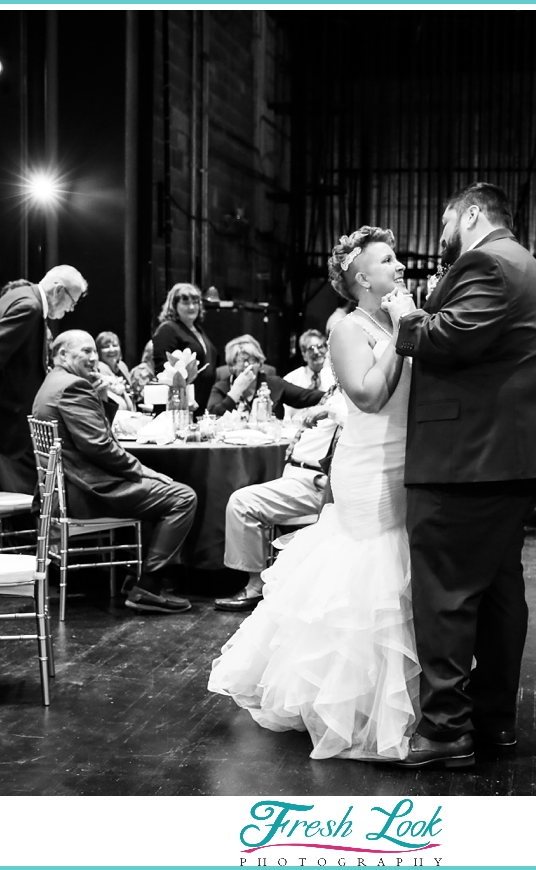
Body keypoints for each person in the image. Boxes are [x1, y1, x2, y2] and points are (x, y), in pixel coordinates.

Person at [209, 225, 419, 762]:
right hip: (368, 466)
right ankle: (350, 703)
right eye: (388, 260)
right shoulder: (350, 329)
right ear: (361, 277)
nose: (399, 266)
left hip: (405, 460)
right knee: (369, 567)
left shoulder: (393, 320)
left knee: (400, 567)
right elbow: (369, 396)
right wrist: (400, 331)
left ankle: (395, 694)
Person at [384, 182, 536, 769]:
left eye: (444, 221)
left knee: (447, 597)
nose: (441, 237)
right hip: (498, 457)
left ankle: (445, 730)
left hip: (469, 460)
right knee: (496, 595)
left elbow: (447, 336)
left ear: (470, 213)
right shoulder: (519, 264)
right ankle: (493, 722)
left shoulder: (488, 261)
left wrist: (404, 313)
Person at [33, 330, 197, 615]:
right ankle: (150, 586)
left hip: (62, 490)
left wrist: (101, 396)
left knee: (159, 490)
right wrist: (142, 470)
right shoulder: (72, 387)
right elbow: (100, 447)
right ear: (61, 355)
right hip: (87, 491)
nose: (94, 357)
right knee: (183, 497)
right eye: (85, 351)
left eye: (93, 351)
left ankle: (134, 576)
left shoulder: (52, 383)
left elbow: (92, 436)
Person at [0, 266, 87, 494]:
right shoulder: (30, 306)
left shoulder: (19, 295)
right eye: (72, 302)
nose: (71, 309)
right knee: (43, 494)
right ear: (58, 291)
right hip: (6, 426)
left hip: (0, 419)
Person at [213, 393, 345, 612]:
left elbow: (360, 422)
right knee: (240, 493)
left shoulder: (351, 397)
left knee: (242, 503)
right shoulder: (336, 390)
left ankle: (255, 587)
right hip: (295, 473)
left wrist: (329, 411)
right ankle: (264, 578)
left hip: (313, 481)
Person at [206, 335, 324, 418]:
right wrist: (236, 391)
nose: (248, 365)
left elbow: (306, 397)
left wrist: (334, 393)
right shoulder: (221, 387)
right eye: (242, 360)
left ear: (260, 364)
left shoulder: (274, 384)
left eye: (253, 360)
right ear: (231, 366)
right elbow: (212, 417)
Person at [150, 283, 219, 409]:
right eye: (185, 302)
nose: (192, 307)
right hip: (180, 406)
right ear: (174, 306)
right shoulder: (167, 330)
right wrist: (186, 398)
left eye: (196, 302)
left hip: (201, 402)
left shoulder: (198, 330)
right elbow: (164, 371)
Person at [282, 329, 334, 421]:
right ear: (303, 354)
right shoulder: (291, 379)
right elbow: (285, 414)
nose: (317, 352)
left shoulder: (334, 377)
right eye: (311, 349)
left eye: (320, 347)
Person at [95, 331, 137, 412]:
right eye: (106, 347)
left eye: (115, 345)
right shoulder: (100, 368)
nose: (111, 350)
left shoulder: (122, 365)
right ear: (98, 351)